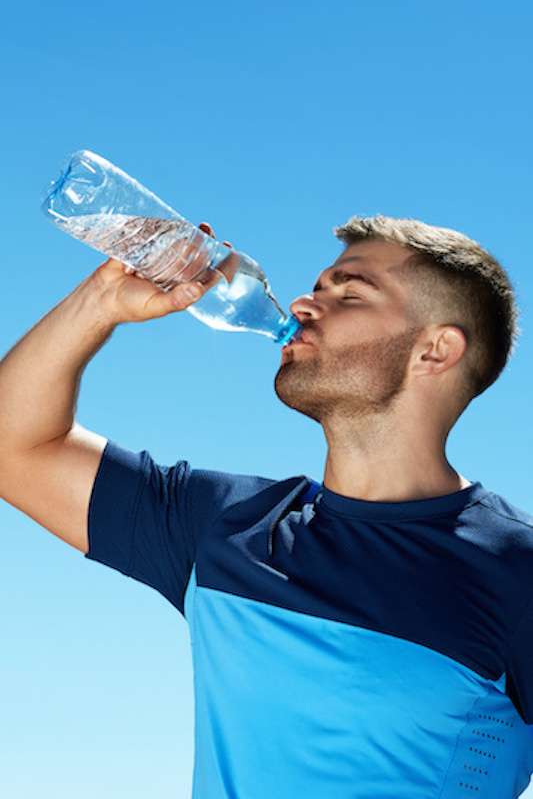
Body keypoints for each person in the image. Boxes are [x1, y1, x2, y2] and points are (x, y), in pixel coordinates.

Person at [0, 215, 532, 798]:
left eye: (351, 293)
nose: (304, 303)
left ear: (435, 350)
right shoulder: (226, 524)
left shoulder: (517, 569)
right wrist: (101, 300)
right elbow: (15, 447)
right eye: (317, 286)